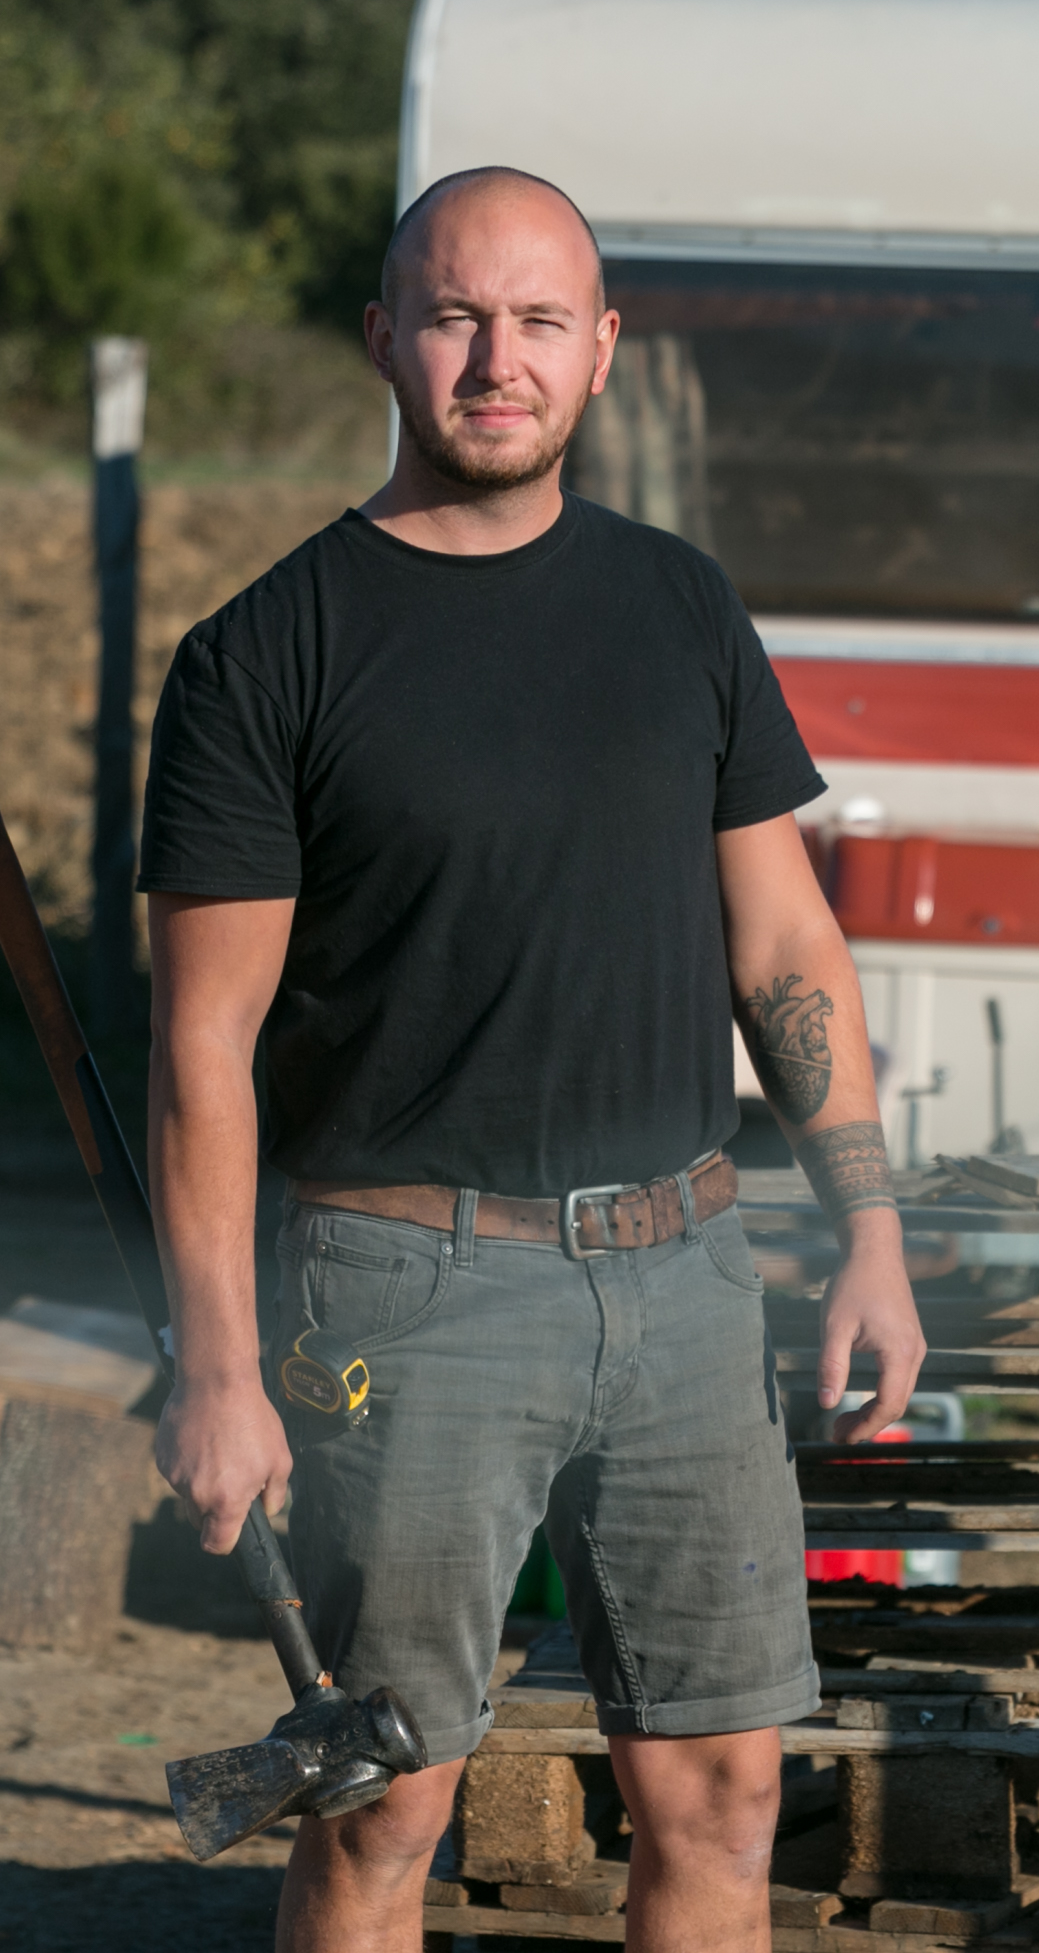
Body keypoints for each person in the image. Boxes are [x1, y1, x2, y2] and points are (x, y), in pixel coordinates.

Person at [135, 163, 927, 1953]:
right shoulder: (268, 653)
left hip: (689, 1282)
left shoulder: (679, 608)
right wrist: (220, 1366)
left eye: (540, 321)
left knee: (723, 1796)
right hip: (405, 1293)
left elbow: (786, 946)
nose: (499, 358)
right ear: (384, 340)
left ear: (605, 353)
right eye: (456, 315)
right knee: (380, 1807)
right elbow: (204, 1045)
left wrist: (869, 1232)